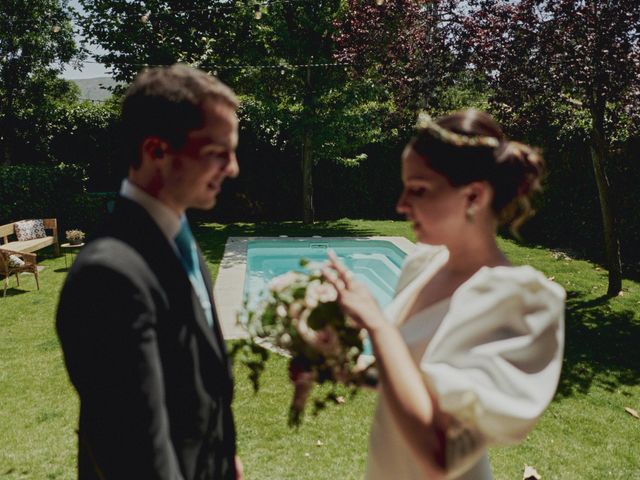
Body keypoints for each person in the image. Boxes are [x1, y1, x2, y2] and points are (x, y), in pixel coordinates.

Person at [324, 109, 565, 479]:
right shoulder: (423, 264)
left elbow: (443, 455)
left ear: (474, 196)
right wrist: (339, 363)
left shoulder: (523, 302)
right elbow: (415, 382)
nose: (401, 205)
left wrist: (376, 323)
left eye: (418, 189)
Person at [56, 65, 243, 480]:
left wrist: (225, 459)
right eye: (218, 153)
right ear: (156, 150)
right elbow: (133, 455)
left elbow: (202, 383)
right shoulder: (109, 277)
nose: (232, 169)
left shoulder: (178, 239)